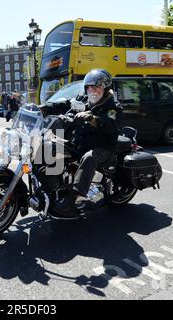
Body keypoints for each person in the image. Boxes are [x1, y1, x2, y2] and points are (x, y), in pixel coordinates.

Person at [53, 69, 123, 219]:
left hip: (103, 147)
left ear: (105, 89)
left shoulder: (113, 107)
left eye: (97, 87)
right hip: (80, 143)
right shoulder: (85, 100)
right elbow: (66, 104)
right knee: (52, 144)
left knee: (89, 158)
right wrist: (44, 108)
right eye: (90, 87)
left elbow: (111, 124)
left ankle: (70, 203)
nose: (93, 90)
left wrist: (91, 118)